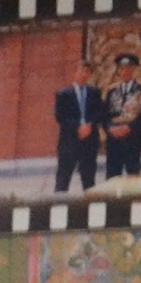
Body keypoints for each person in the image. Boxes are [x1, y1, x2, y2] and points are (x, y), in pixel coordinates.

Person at [51, 60, 105, 192]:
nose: (84, 74)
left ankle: (89, 203)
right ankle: (59, 202)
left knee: (89, 179)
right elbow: (60, 116)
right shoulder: (63, 94)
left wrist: (89, 125)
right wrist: (78, 127)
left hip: (89, 140)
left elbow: (100, 112)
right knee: (63, 178)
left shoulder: (94, 92)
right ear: (75, 72)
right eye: (81, 71)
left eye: (87, 72)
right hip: (69, 140)